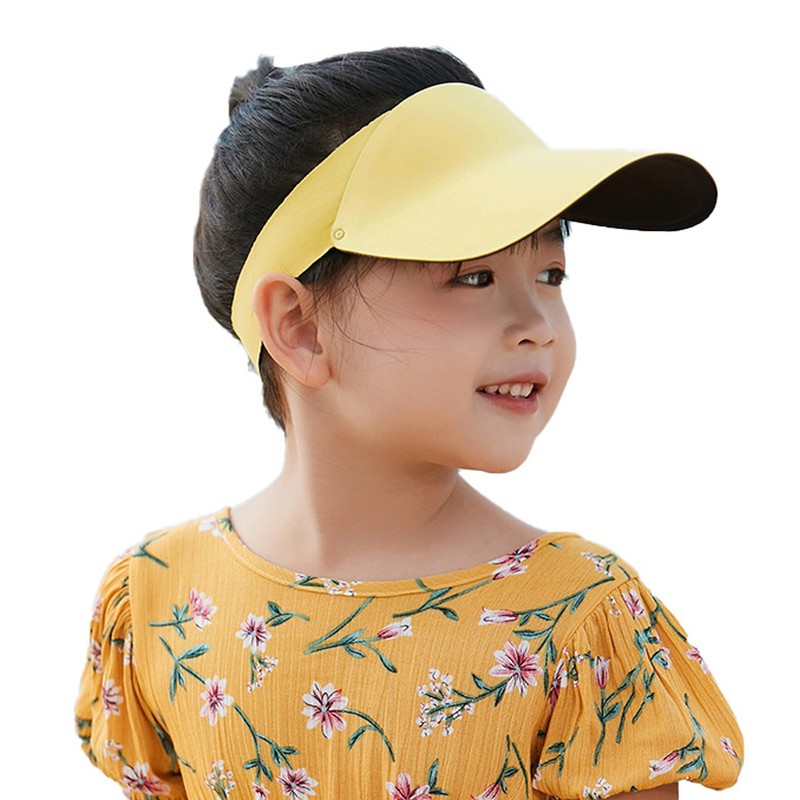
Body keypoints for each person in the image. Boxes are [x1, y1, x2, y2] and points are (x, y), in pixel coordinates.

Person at [74, 47, 743, 800]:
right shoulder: (158, 600)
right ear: (298, 327)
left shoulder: (579, 620)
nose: (538, 324)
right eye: (474, 276)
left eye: (550, 274)